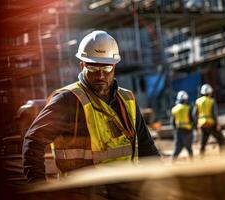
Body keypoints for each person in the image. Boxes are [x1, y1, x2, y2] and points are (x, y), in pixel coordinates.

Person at [22, 30, 159, 182]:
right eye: (93, 68)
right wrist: (40, 189)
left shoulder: (127, 100)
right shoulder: (67, 99)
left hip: (126, 192)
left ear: (114, 66)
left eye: (106, 68)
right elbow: (34, 141)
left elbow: (147, 147)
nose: (100, 75)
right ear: (82, 65)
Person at [193, 84, 225, 155]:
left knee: (203, 143)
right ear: (210, 92)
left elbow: (194, 114)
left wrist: (196, 124)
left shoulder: (198, 101)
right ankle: (223, 157)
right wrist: (217, 124)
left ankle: (202, 159)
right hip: (211, 124)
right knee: (221, 140)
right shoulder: (211, 101)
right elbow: (214, 114)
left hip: (202, 124)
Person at [171, 91, 194, 160]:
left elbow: (172, 122)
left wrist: (175, 130)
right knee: (189, 148)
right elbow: (192, 119)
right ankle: (192, 162)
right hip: (187, 130)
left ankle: (173, 162)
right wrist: (194, 127)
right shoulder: (188, 108)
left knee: (177, 149)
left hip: (178, 131)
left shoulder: (174, 109)